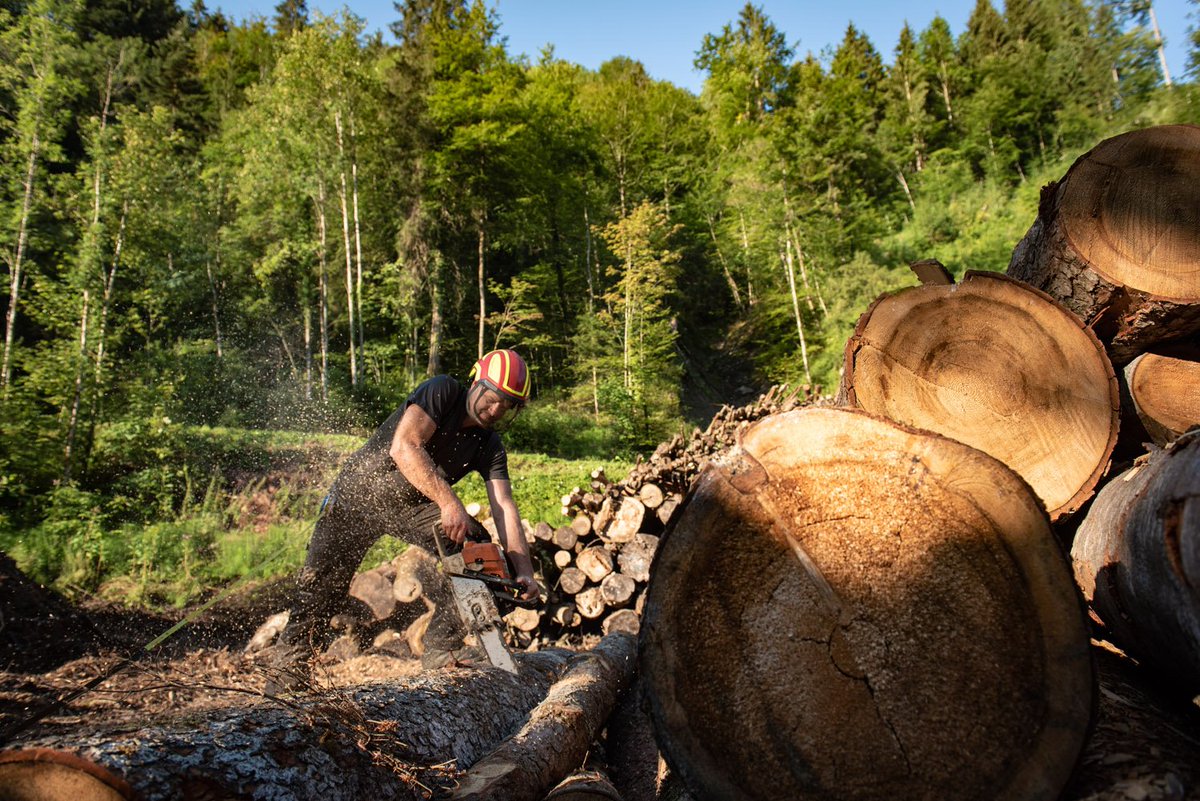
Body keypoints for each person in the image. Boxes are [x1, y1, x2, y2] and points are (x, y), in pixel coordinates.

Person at [264, 348, 541, 684]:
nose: (496, 409)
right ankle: (285, 680)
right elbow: (405, 446)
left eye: (507, 404)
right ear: (476, 382)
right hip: (358, 495)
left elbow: (504, 506)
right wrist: (449, 502)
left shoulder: (489, 445)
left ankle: (445, 646)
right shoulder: (442, 391)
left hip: (409, 507)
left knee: (477, 550)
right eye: (493, 397)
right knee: (321, 591)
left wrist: (523, 569)